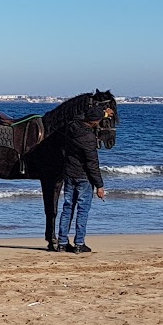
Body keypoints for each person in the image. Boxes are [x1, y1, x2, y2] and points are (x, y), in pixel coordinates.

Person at [56, 106, 106, 253]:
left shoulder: (72, 126)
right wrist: (100, 186)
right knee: (82, 210)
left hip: (69, 173)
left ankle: (62, 243)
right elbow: (92, 164)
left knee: (67, 208)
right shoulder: (89, 139)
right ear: (94, 122)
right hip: (83, 177)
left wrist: (104, 113)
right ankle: (79, 243)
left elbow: (78, 116)